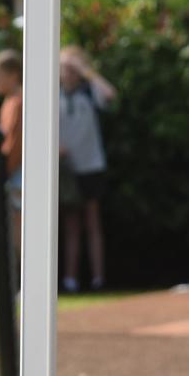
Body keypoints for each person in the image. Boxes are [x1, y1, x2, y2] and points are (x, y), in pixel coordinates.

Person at [58, 45, 117, 293]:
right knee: (71, 223)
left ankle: (98, 278)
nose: (69, 73)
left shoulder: (89, 92)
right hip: (66, 169)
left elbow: (110, 96)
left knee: (92, 221)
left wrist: (86, 71)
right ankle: (70, 279)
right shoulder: (54, 94)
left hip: (90, 165)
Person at [0, 49, 24, 259]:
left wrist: (4, 170)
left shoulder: (18, 102)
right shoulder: (9, 101)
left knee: (19, 226)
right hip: (12, 171)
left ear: (13, 75)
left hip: (17, 172)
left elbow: (15, 142)